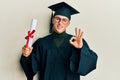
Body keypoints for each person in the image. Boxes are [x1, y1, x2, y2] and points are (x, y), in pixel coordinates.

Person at [20, 2, 98, 80]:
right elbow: (31, 69)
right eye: (57, 19)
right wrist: (26, 56)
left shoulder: (76, 41)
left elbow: (88, 65)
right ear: (53, 20)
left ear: (68, 23)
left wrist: (80, 49)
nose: (60, 22)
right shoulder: (42, 43)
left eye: (64, 20)